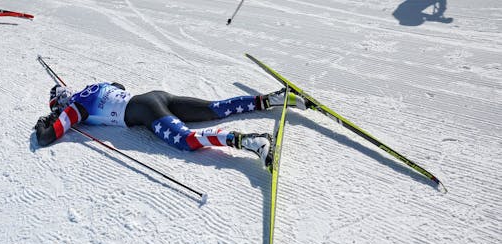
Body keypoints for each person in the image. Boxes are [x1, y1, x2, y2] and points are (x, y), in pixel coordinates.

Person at [34, 82, 307, 168]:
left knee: (186, 140)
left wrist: (46, 122)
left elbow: (48, 137)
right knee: (214, 108)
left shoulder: (75, 108)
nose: (59, 112)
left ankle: (249, 140)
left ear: (61, 102)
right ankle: (271, 99)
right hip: (154, 97)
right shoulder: (94, 86)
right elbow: (119, 86)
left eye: (57, 107)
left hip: (145, 110)